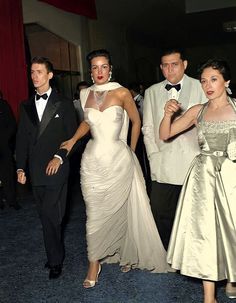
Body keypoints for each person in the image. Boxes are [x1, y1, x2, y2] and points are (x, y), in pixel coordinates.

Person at [60, 49, 168, 288]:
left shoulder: (121, 92)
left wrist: (130, 150)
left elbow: (136, 121)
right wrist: (73, 140)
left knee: (119, 208)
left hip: (118, 159)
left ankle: (119, 252)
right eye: (95, 67)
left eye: (104, 67)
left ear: (111, 69)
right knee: (94, 213)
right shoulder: (86, 92)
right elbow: (88, 122)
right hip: (92, 161)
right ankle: (94, 261)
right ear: (91, 71)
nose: (100, 71)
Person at [159, 58, 236, 303]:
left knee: (232, 230)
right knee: (205, 233)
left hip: (232, 177)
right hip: (204, 179)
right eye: (204, 81)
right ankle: (208, 297)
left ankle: (232, 278)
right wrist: (167, 114)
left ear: (227, 81)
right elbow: (165, 134)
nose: (208, 85)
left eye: (214, 79)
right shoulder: (197, 111)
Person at [16, 56, 77, 279]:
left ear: (50, 75)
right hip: (35, 170)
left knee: (52, 214)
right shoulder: (26, 105)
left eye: (39, 72)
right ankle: (53, 252)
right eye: (32, 72)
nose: (35, 76)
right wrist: (20, 168)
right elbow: (22, 139)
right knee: (45, 216)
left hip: (57, 168)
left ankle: (55, 260)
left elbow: (74, 138)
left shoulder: (64, 103)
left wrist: (59, 157)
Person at [142, 47, 207, 249]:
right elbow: (148, 128)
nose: (170, 70)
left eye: (175, 64)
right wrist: (154, 156)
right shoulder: (151, 91)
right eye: (166, 66)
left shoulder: (201, 86)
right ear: (161, 68)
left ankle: (191, 253)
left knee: (194, 212)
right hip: (164, 163)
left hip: (193, 161)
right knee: (161, 211)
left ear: (184, 64)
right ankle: (169, 252)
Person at [0, 91, 20, 210]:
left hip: (3, 147)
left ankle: (12, 200)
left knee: (8, 173)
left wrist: (4, 139)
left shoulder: (3, 105)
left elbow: (12, 124)